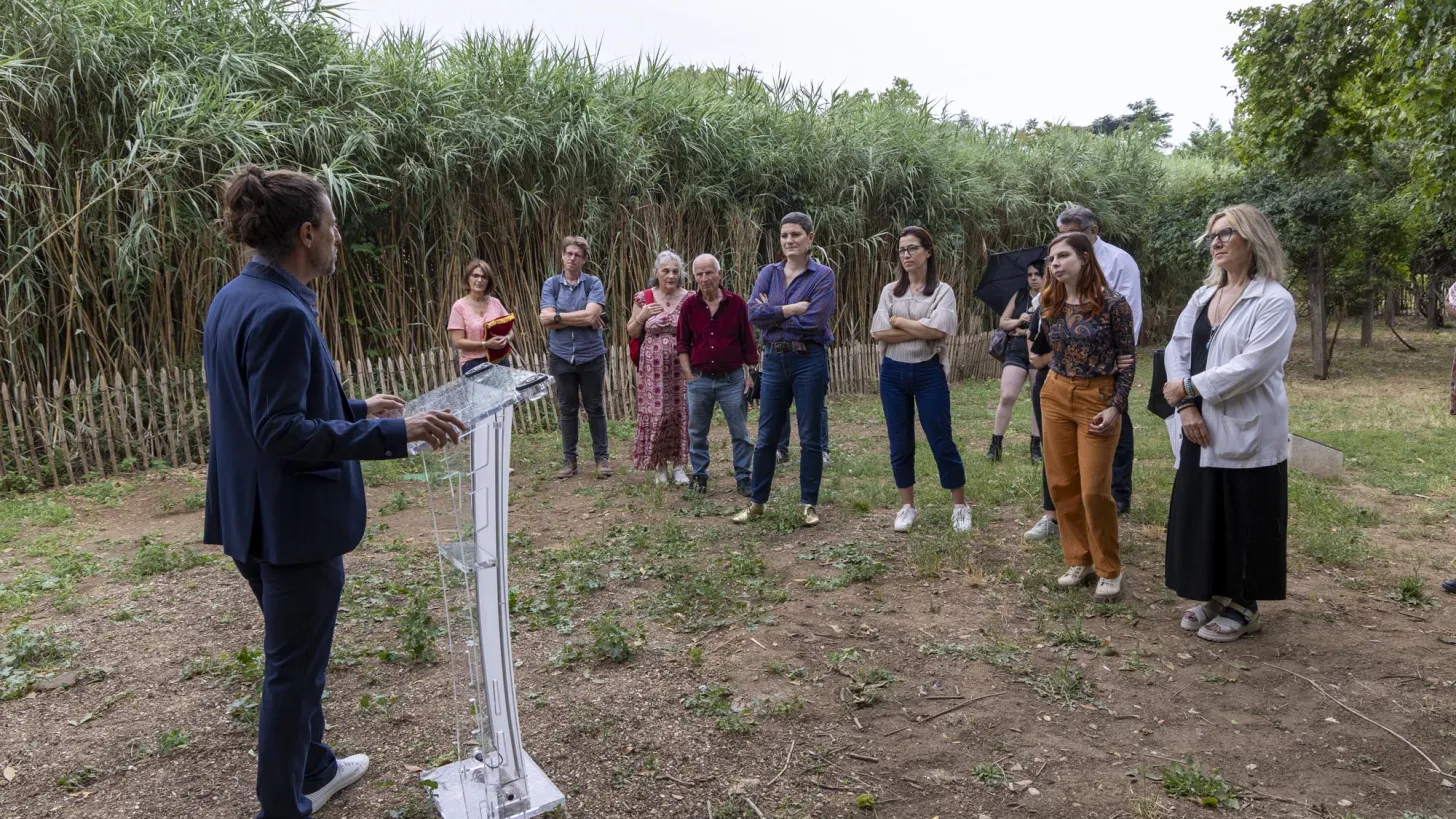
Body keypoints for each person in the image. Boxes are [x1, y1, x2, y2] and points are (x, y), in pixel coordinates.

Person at [204, 165, 466, 819]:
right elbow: (280, 431)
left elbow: (267, 408)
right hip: (293, 526)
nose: (338, 237)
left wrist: (355, 409)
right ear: (306, 233)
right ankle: (280, 806)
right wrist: (398, 432)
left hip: (250, 516)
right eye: (332, 224)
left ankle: (315, 767)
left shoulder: (234, 297)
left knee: (296, 658)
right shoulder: (282, 313)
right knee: (293, 672)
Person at [1162, 205, 1297, 641]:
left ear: (1252, 239)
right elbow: (1177, 347)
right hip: (1196, 420)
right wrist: (1186, 405)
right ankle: (1216, 593)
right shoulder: (1204, 296)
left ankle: (1245, 604)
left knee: (1245, 514)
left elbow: (1254, 365)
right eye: (1212, 236)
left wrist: (1191, 386)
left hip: (1247, 425)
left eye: (1226, 233)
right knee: (1205, 511)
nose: (1216, 242)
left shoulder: (1274, 300)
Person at [1038, 231, 1135, 602]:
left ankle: (1109, 568)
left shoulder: (1113, 304)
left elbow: (1127, 360)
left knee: (1094, 489)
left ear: (1084, 258)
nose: (1055, 264)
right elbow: (1045, 349)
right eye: (1051, 259)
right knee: (1062, 483)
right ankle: (1079, 559)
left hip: (1098, 397)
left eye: (1063, 256)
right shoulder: (1050, 301)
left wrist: (1116, 406)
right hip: (1055, 394)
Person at [733, 212, 836, 527]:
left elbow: (814, 321)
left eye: (796, 235)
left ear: (810, 238)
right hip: (775, 361)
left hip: (809, 360)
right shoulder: (769, 273)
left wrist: (772, 313)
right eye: (784, 235)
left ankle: (808, 504)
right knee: (767, 436)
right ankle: (757, 503)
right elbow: (753, 314)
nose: (789, 241)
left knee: (810, 435)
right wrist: (790, 309)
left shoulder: (823, 275)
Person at [870, 227, 972, 533]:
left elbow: (939, 331)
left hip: (928, 371)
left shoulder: (942, 291)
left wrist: (900, 321)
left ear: (928, 252)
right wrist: (921, 328)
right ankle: (907, 506)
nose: (906, 255)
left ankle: (960, 505)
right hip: (893, 373)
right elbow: (878, 332)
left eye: (913, 248)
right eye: (902, 250)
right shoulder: (890, 291)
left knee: (941, 439)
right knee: (900, 442)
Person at [1057, 206, 1142, 514]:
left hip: (1110, 361)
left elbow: (1130, 312)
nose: (1064, 241)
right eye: (1061, 235)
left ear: (1093, 232)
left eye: (1071, 234)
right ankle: (1084, 490)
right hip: (1073, 365)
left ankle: (1118, 493)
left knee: (1116, 420)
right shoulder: (1060, 262)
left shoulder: (1119, 261)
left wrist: (1121, 356)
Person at [677, 254, 758, 497]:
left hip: (731, 379)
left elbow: (748, 342)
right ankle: (699, 475)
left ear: (719, 274)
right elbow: (682, 344)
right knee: (697, 432)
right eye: (699, 274)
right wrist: (689, 375)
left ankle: (743, 476)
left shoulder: (737, 304)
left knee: (740, 431)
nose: (705, 278)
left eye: (709, 273)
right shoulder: (689, 307)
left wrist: (750, 374)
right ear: (694, 277)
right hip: (699, 379)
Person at [539, 236, 610, 479]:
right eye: (568, 253)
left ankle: (601, 459)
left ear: (584, 259)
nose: (572, 258)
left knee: (595, 407)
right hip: (561, 356)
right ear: (562, 256)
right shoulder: (551, 285)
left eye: (577, 255)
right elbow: (546, 320)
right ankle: (570, 461)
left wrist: (559, 316)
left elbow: (591, 316)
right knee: (568, 408)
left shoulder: (593, 283)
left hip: (591, 355)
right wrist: (581, 317)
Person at [628, 250, 692, 484]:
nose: (671, 275)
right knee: (657, 413)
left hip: (681, 366)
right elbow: (632, 331)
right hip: (652, 369)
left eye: (675, 271)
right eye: (666, 271)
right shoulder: (643, 298)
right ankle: (660, 465)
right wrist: (643, 316)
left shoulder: (690, 298)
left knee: (682, 412)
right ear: (656, 272)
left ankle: (680, 466)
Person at [988, 262, 1045, 462]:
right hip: (1016, 351)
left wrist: (1023, 331)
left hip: (1040, 352)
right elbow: (1003, 322)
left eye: (1038, 274)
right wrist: (1020, 321)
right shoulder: (1020, 295)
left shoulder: (1052, 296)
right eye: (1030, 275)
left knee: (1037, 399)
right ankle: (995, 445)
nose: (1033, 278)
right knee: (1007, 396)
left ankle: (1035, 447)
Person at [447, 259, 513, 374]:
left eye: (484, 277)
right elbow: (457, 342)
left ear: (488, 281)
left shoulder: (495, 303)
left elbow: (510, 331)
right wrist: (485, 344)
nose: (479, 280)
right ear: (468, 279)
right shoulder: (459, 307)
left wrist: (506, 339)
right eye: (475, 276)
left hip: (499, 360)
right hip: (473, 363)